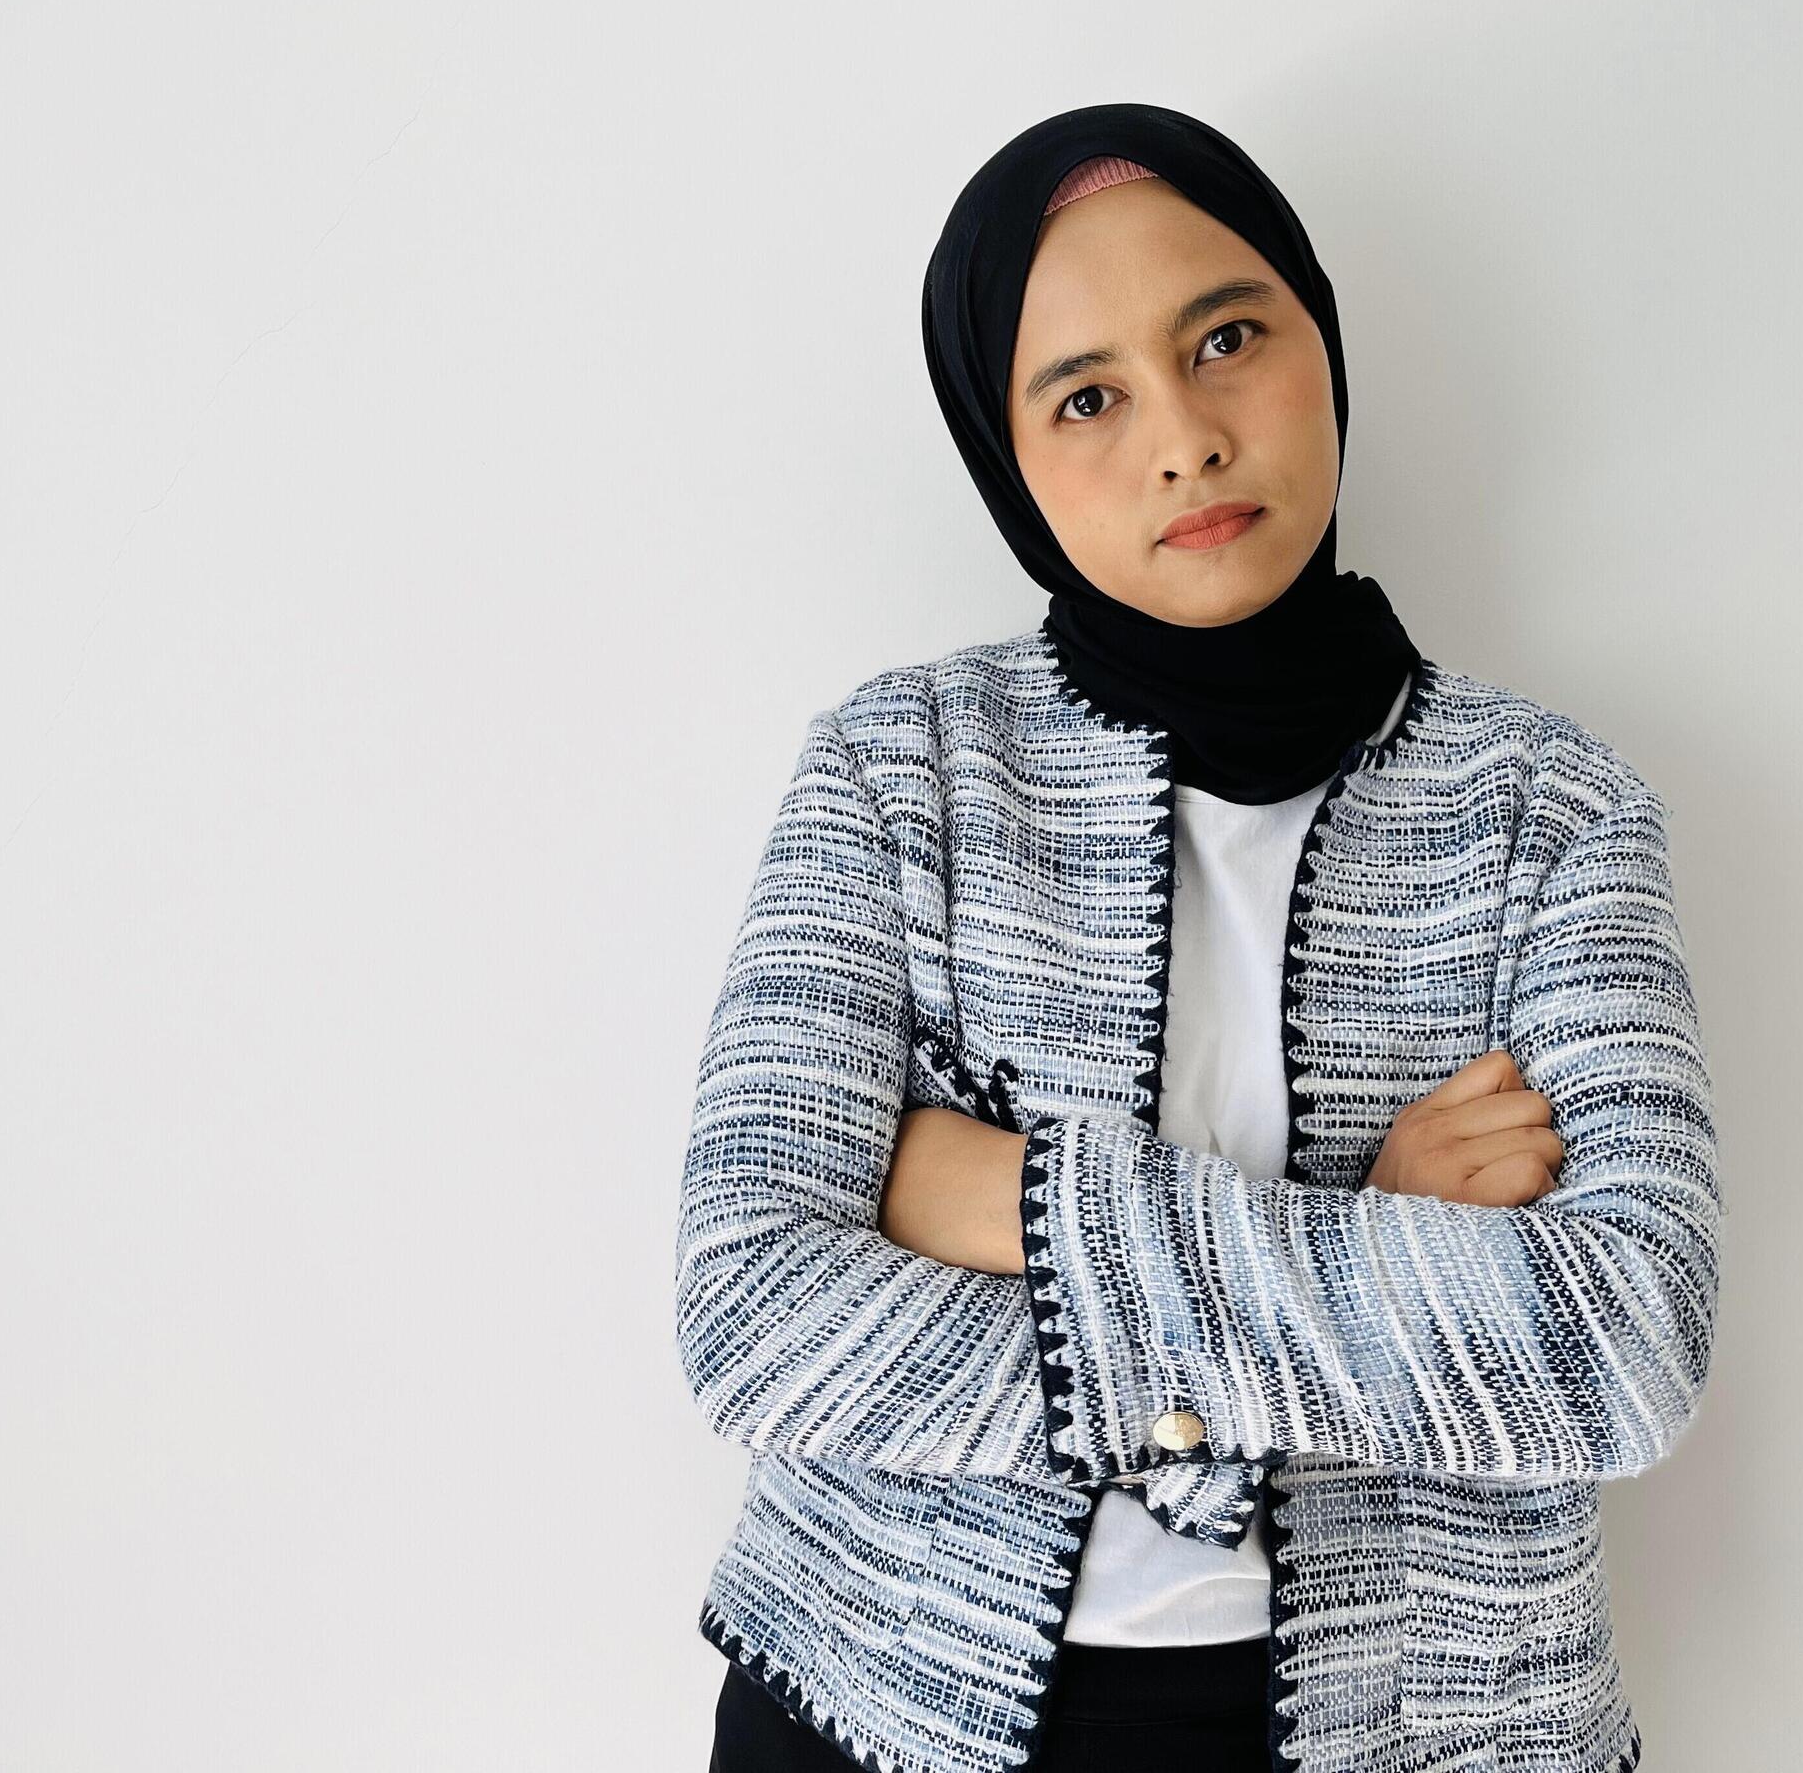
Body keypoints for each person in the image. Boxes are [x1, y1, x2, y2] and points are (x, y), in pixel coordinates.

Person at [676, 103, 1722, 1773]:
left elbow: (1618, 1348)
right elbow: (756, 1312)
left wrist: (990, 1197)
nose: (1184, 438)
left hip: (1439, 1728)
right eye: (1085, 396)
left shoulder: (1552, 809)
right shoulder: (901, 771)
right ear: (1002, 457)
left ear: (1318, 337)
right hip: (883, 1702)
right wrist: (1364, 1229)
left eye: (1225, 338)